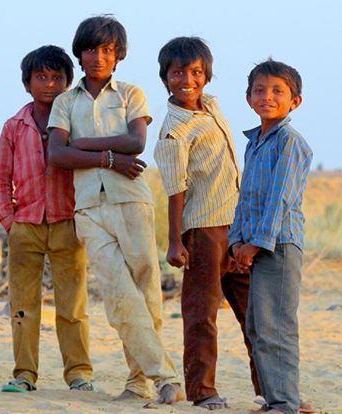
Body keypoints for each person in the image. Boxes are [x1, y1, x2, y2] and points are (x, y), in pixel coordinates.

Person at [48, 15, 183, 406]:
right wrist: (108, 156)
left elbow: (136, 142)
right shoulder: (65, 102)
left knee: (146, 291)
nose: (98, 57)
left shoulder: (130, 94)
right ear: (80, 53)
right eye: (91, 49)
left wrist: (84, 146)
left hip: (132, 202)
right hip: (89, 208)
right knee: (118, 293)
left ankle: (139, 382)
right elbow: (57, 154)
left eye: (107, 50)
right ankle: (165, 377)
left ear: (118, 55)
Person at [153, 36, 259, 409]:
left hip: (239, 228)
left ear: (207, 75)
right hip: (203, 231)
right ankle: (203, 392)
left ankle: (271, 391)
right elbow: (175, 189)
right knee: (202, 316)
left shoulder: (211, 107)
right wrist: (174, 241)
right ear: (165, 77)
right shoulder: (173, 131)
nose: (187, 79)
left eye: (196, 71)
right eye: (177, 72)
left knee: (255, 315)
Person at [0, 45, 94, 393]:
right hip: (26, 226)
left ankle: (79, 374)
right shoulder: (14, 127)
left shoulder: (75, 124)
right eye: (41, 78)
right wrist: (10, 221)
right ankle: (24, 374)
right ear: (27, 83)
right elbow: (0, 178)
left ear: (67, 83)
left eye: (56, 78)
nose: (48, 85)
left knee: (73, 305)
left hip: (69, 225)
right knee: (23, 305)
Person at [229, 59, 312, 414]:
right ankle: (277, 399)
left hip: (278, 246)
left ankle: (285, 404)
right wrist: (235, 240)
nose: (268, 97)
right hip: (256, 245)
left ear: (296, 101)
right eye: (260, 90)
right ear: (248, 98)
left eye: (278, 91)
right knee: (259, 325)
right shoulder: (255, 143)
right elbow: (245, 197)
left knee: (276, 326)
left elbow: (279, 198)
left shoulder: (289, 142)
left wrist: (254, 244)